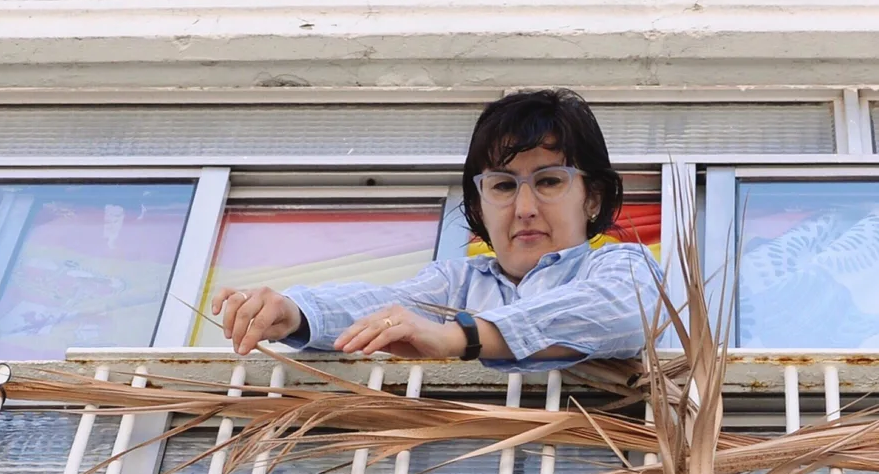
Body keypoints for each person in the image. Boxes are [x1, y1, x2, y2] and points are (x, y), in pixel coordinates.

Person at [210, 89, 661, 370]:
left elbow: (621, 313)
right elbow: (385, 307)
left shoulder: (621, 265)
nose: (524, 208)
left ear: (594, 197)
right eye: (503, 185)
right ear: (479, 207)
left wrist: (458, 338)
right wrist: (293, 313)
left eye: (548, 181)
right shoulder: (458, 282)